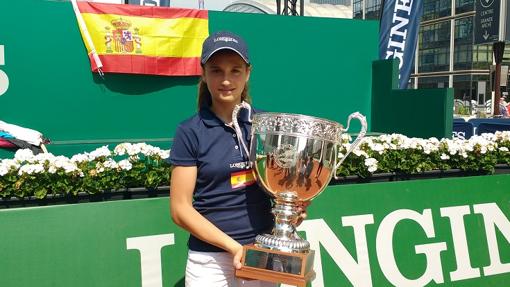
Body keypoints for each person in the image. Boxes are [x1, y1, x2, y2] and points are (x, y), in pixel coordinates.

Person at [169, 31, 307, 287]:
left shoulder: (268, 126)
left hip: (263, 255)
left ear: (248, 73)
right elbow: (180, 210)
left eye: (235, 70)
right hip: (209, 262)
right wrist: (233, 248)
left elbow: (282, 188)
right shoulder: (190, 131)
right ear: (203, 73)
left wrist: (293, 210)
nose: (226, 80)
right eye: (216, 70)